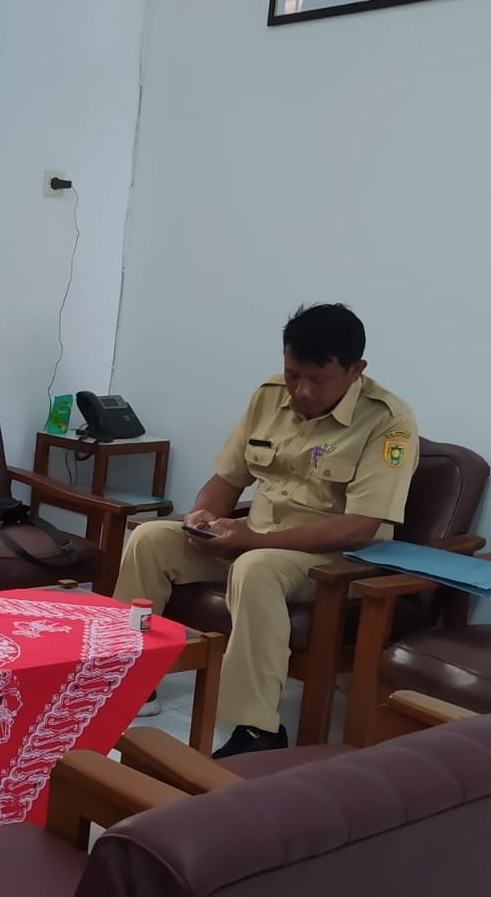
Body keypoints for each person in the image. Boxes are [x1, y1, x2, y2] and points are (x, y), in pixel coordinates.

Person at [115, 303, 418, 757]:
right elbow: (228, 479)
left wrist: (250, 540)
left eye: (317, 379)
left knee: (257, 568)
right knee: (151, 538)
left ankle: (257, 729)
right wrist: (204, 517)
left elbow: (359, 527)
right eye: (293, 373)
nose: (301, 389)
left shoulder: (389, 421)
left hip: (336, 560)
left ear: (356, 370)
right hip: (254, 539)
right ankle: (129, 680)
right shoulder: (269, 395)